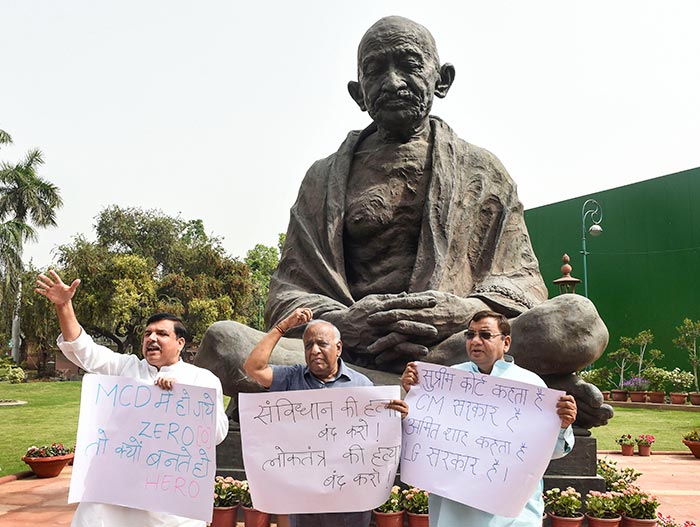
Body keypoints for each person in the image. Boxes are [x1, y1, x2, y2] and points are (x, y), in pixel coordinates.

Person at [195, 15, 610, 429]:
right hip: (347, 350)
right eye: (375, 71)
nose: (392, 83)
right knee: (223, 343)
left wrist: (465, 312)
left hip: (454, 347)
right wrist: (346, 323)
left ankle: (375, 392)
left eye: (409, 65)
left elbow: (523, 286)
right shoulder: (323, 179)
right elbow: (287, 293)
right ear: (358, 93)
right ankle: (467, 391)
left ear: (441, 79)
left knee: (576, 320)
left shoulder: (483, 172)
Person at [35, 270, 229, 527]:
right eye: (147, 334)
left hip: (168, 497)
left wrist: (179, 399)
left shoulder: (201, 380)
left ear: (180, 343)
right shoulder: (125, 368)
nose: (151, 339)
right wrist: (64, 305)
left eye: (161, 334)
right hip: (114, 492)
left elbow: (216, 435)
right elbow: (85, 351)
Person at [401, 310, 577, 527]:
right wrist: (416, 397)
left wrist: (563, 426)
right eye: (470, 335)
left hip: (512, 511)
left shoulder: (532, 386)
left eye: (485, 335)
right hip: (456, 506)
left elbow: (550, 452)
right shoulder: (448, 380)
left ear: (506, 342)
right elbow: (425, 437)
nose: (475, 341)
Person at [243, 307, 408, 527]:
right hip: (303, 504)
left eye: (322, 343)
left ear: (338, 348)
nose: (314, 351)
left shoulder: (361, 386)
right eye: (308, 345)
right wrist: (284, 326)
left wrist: (397, 417)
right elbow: (253, 367)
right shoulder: (290, 378)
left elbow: (374, 440)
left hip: (348, 505)